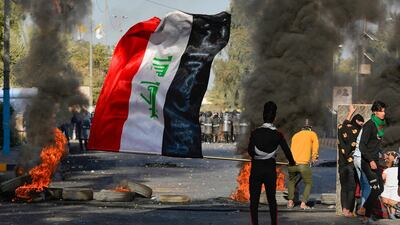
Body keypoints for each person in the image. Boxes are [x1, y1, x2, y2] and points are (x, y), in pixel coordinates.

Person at [248, 101, 296, 225]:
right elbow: (287, 151)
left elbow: (250, 151)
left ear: (263, 116)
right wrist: (292, 162)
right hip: (270, 170)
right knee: (271, 200)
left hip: (256, 170)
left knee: (254, 201)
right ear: (274, 118)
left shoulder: (255, 133)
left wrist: (259, 155)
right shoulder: (278, 135)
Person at [359, 101, 386, 224]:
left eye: (384, 111)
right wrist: (370, 161)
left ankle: (364, 209)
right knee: (375, 189)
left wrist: (382, 153)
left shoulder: (379, 125)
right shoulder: (369, 125)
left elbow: (376, 142)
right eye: (381, 111)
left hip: (375, 160)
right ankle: (365, 215)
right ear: (375, 111)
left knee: (381, 188)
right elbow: (362, 146)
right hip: (368, 162)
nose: (383, 113)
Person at [337, 105, 364, 217]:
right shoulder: (358, 132)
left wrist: (350, 112)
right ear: (357, 121)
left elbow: (345, 123)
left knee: (344, 187)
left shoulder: (342, 128)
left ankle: (344, 209)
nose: (362, 124)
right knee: (352, 188)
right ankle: (349, 210)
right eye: (361, 122)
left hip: (342, 163)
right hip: (352, 163)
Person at [287, 119, 319, 210]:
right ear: (310, 128)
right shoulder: (312, 134)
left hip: (292, 164)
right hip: (303, 164)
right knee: (308, 183)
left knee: (291, 181)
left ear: (301, 128)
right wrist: (314, 158)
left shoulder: (295, 135)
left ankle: (290, 202)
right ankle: (303, 204)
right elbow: (315, 147)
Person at [381, 151, 400, 220]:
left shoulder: (387, 170)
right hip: (395, 197)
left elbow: (381, 179)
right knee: (394, 205)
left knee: (386, 205)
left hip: (385, 196)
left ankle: (387, 214)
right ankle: (393, 214)